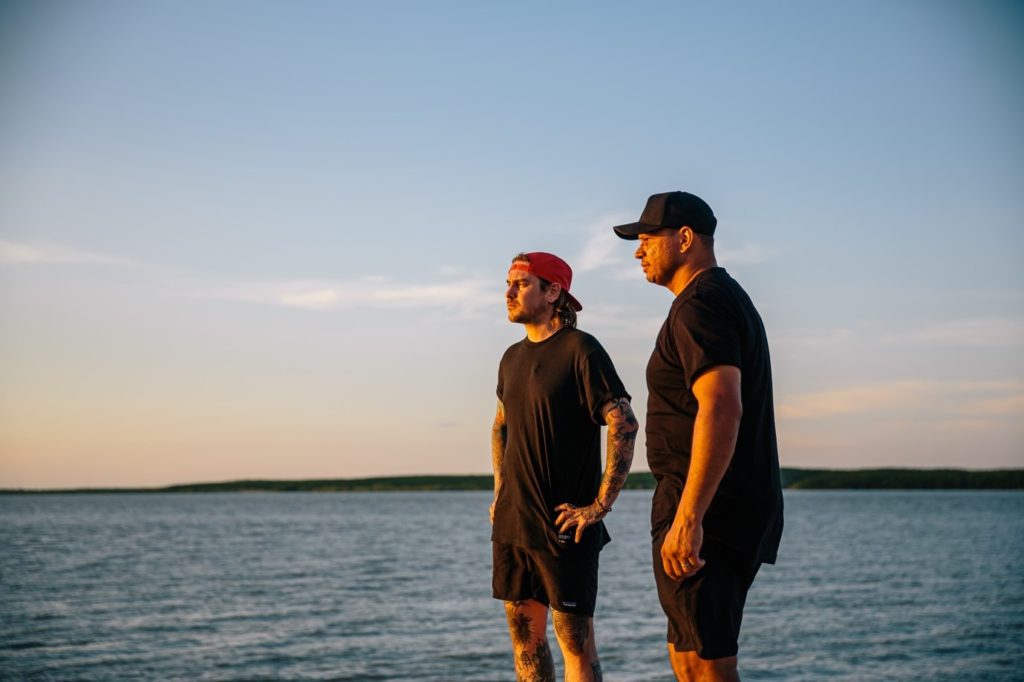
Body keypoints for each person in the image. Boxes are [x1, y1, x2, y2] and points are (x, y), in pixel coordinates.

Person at [613, 192, 783, 681]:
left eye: (647, 239)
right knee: (691, 656)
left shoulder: (700, 306)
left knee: (706, 666)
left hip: (708, 506)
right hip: (718, 502)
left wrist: (689, 516)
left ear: (684, 239)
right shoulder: (721, 298)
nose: (638, 251)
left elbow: (722, 404)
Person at [491, 251, 637, 682]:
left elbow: (623, 421)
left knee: (575, 643)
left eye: (521, 284)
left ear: (553, 292)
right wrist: (500, 490)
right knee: (525, 642)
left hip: (565, 527)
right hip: (514, 525)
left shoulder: (581, 349)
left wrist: (598, 506)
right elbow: (500, 426)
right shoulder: (510, 358)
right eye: (508, 284)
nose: (509, 292)